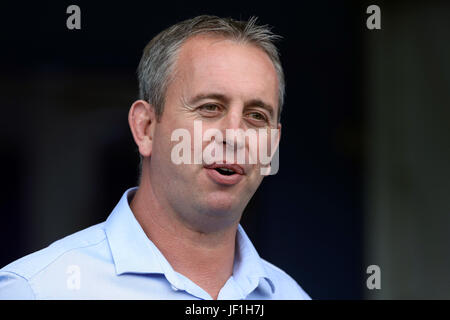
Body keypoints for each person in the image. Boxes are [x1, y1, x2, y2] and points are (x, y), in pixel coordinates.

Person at [0, 15, 310, 300]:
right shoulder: (36, 289)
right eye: (210, 107)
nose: (234, 135)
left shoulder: (290, 295)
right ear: (146, 128)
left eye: (256, 116)